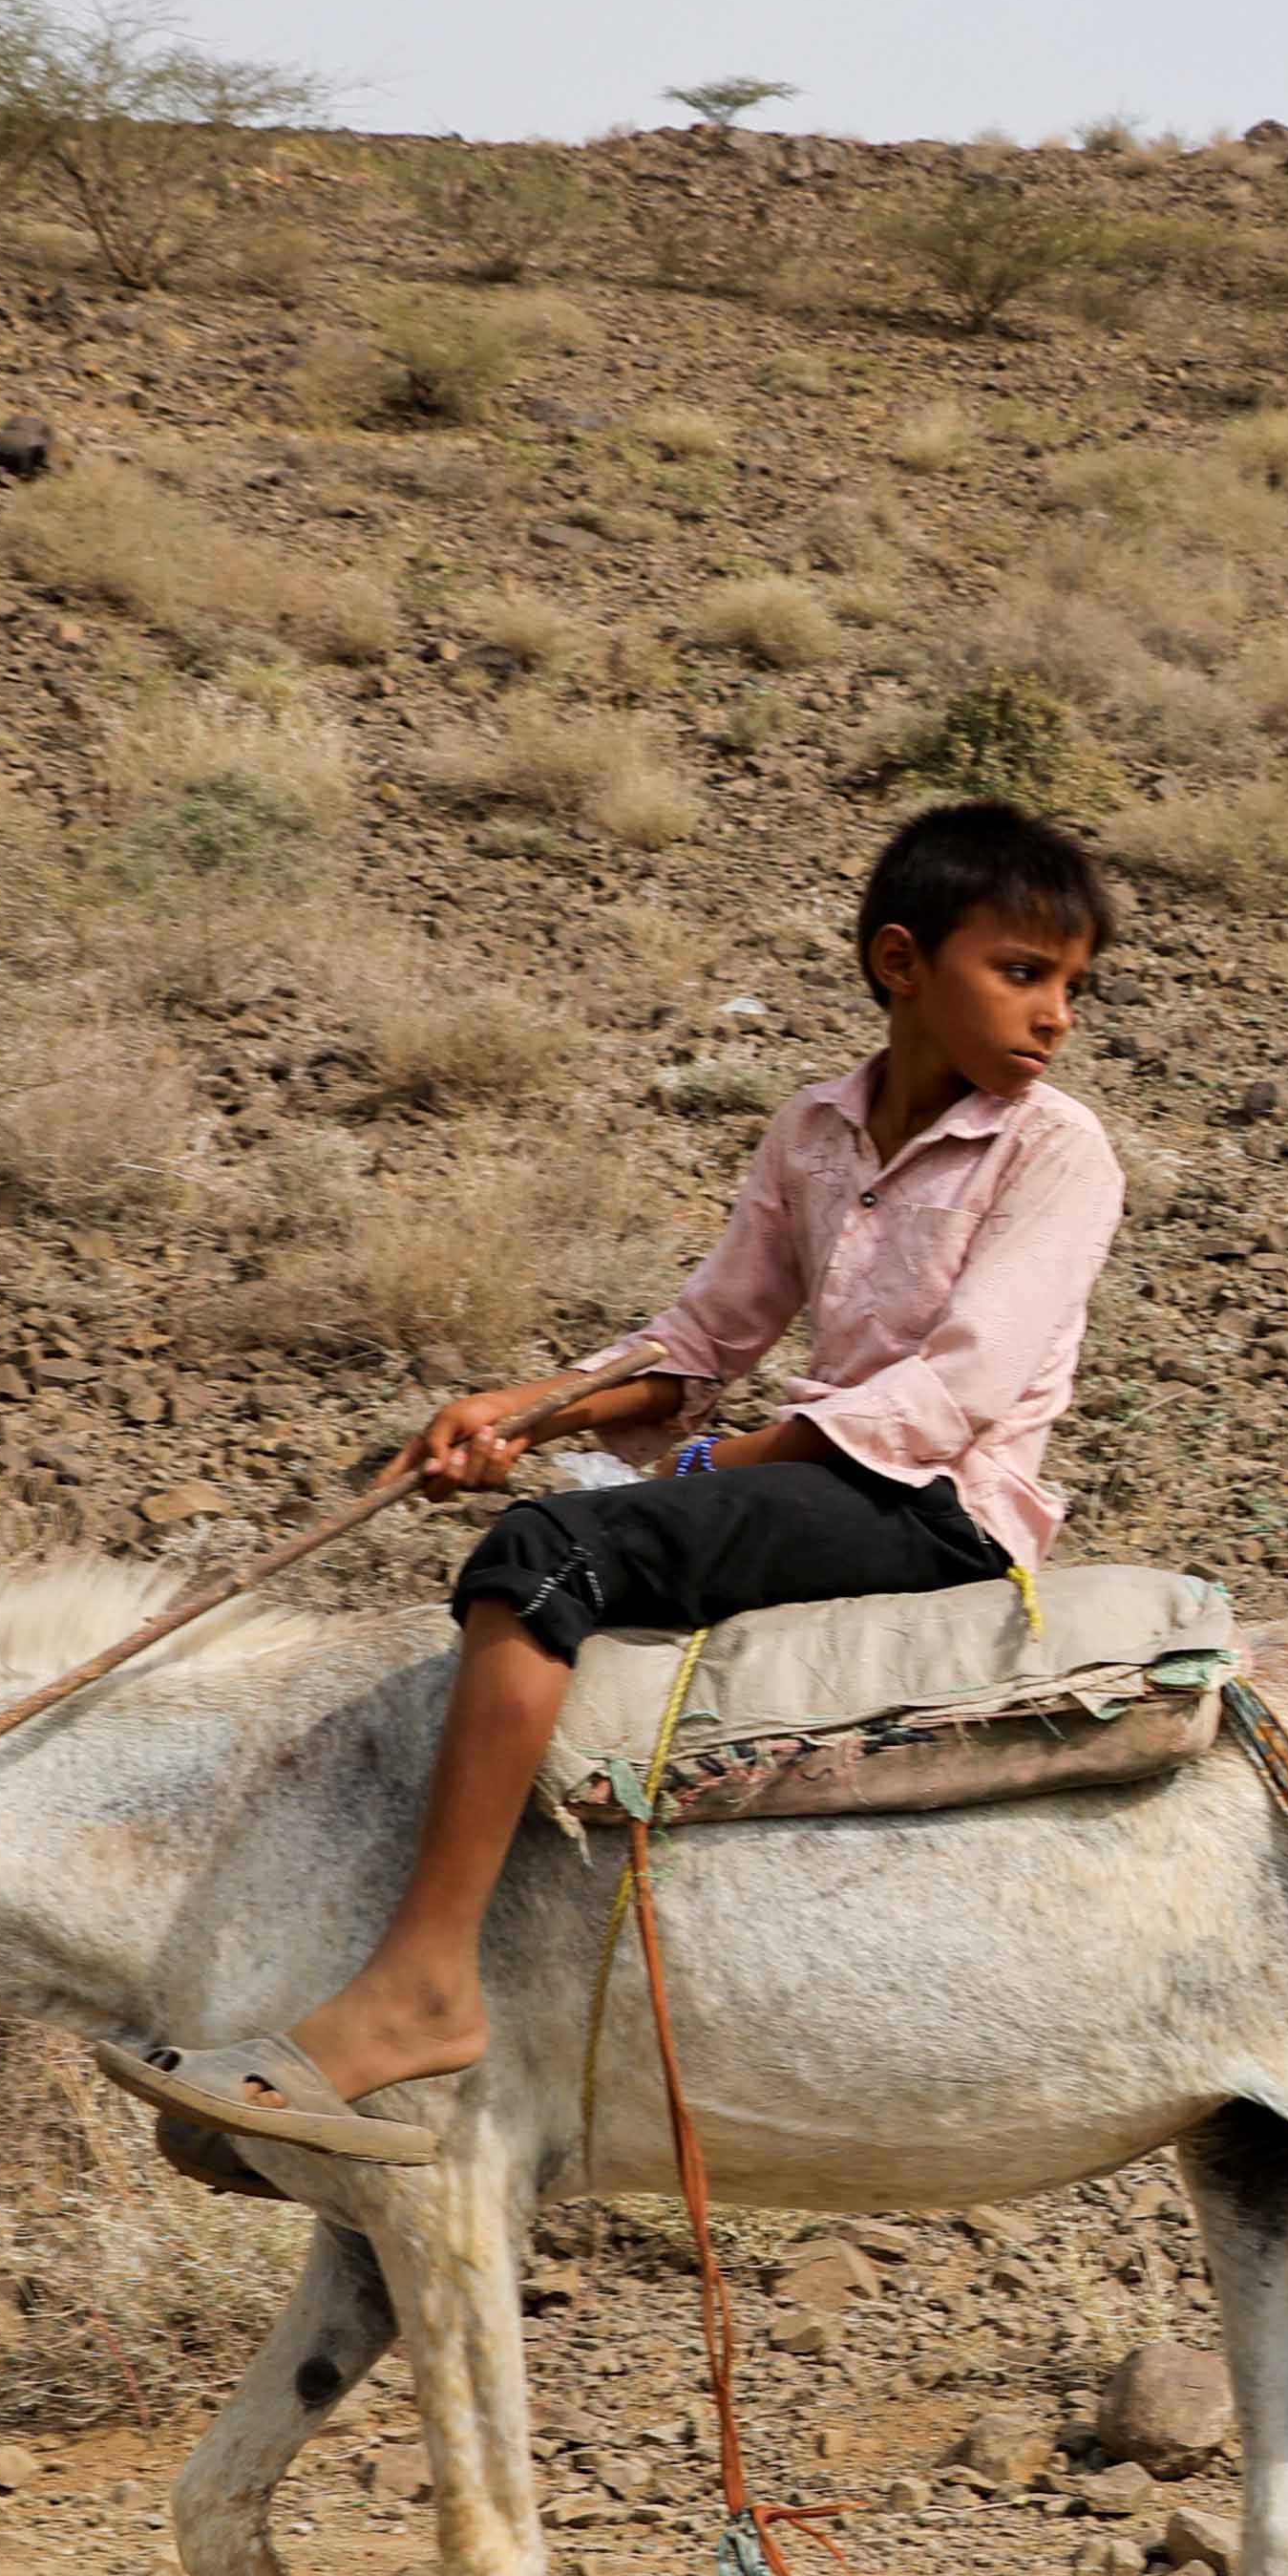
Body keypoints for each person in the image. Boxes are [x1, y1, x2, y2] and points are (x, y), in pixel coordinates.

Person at [102, 799, 1130, 2159]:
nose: (1056, 1014)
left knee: (550, 1560)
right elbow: (701, 1344)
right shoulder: (813, 1132)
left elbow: (964, 1386)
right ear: (901, 963)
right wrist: (524, 1411)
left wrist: (730, 1459)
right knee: (553, 1533)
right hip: (826, 1473)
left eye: (1073, 985)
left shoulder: (1059, 1149)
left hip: (941, 1511)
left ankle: (421, 1994)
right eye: (1023, 971)